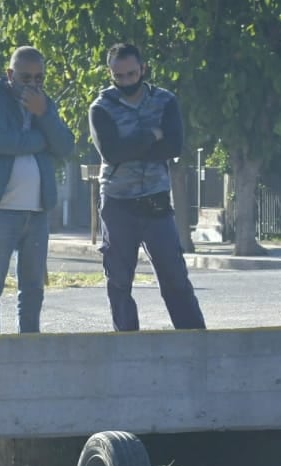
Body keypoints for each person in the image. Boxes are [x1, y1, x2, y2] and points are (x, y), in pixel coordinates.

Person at [89, 43, 205, 332]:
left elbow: (174, 145)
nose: (126, 81)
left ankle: (194, 339)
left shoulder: (165, 101)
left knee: (175, 277)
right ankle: (127, 341)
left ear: (143, 69)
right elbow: (110, 153)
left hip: (156, 201)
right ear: (110, 73)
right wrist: (151, 136)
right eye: (119, 76)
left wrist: (133, 146)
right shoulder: (101, 107)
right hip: (118, 202)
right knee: (118, 281)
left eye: (131, 74)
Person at [0, 46, 75, 334]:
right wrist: (41, 140)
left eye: (39, 78)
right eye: (25, 77)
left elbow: (66, 145)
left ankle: (29, 351)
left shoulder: (43, 104)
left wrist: (43, 116)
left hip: (37, 212)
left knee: (32, 290)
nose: (32, 84)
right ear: (9, 74)